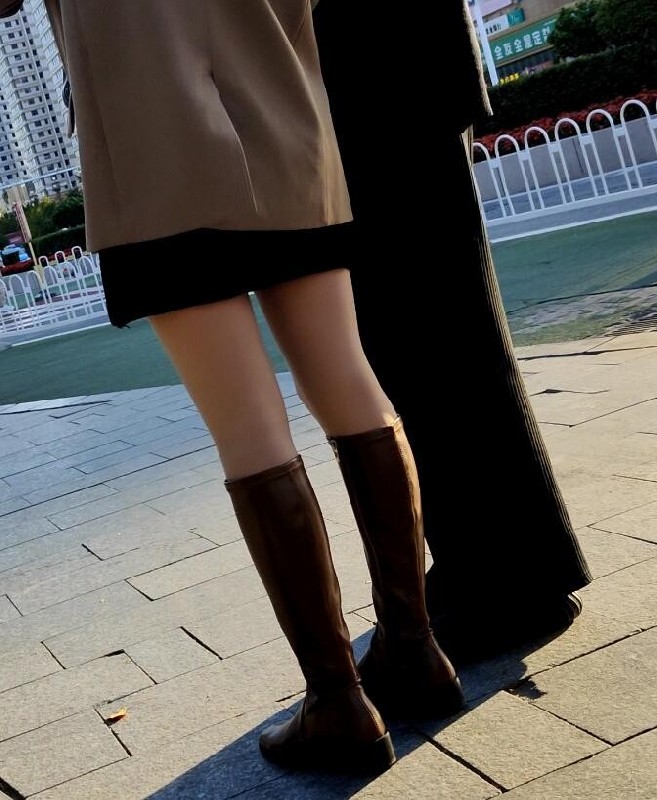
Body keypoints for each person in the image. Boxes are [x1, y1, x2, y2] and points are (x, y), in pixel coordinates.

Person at [2, 0, 467, 777]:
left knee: (249, 427)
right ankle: (414, 651)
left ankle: (338, 701)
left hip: (154, 140)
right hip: (285, 113)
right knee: (349, 380)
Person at [312, 0, 593, 667]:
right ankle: (492, 563)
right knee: (417, 334)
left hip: (378, 63)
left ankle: (509, 580)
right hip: (378, 61)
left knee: (433, 331)